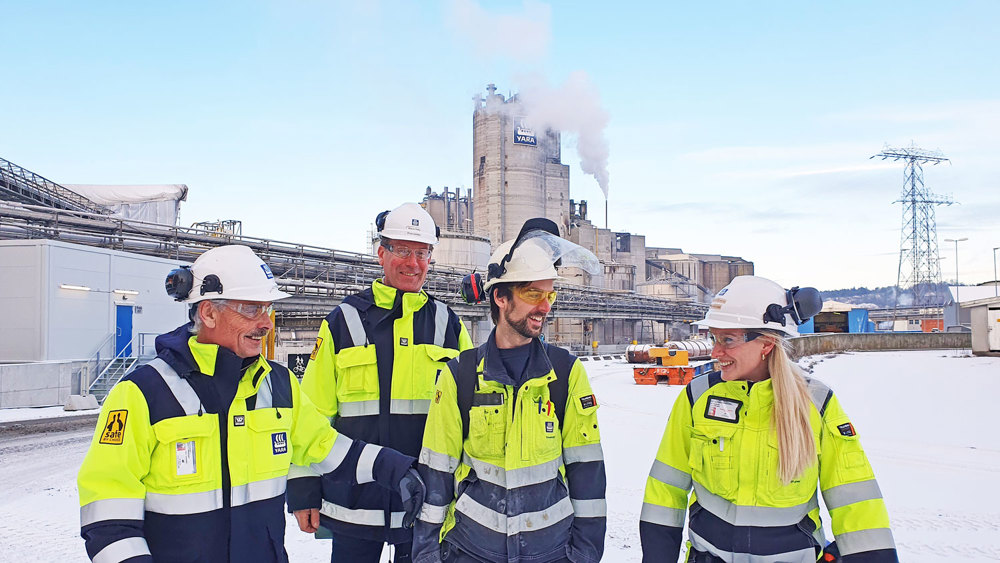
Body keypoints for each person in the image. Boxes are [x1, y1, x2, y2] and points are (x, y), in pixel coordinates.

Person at [78, 245, 424, 563]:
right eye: (251, 309)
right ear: (209, 312)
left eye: (268, 309)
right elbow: (107, 511)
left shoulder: (279, 385)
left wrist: (398, 470)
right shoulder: (144, 393)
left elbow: (327, 448)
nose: (265, 323)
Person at [639, 275, 898, 562]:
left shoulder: (817, 403)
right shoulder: (697, 397)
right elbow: (665, 490)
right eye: (714, 338)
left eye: (728, 340)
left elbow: (857, 501)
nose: (715, 352)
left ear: (765, 344)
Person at [412, 218, 607, 563]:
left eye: (550, 294)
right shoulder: (460, 376)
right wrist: (427, 552)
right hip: (473, 551)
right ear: (500, 297)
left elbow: (587, 473)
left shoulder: (565, 374)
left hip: (552, 552)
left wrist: (584, 556)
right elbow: (436, 473)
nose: (545, 306)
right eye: (533, 293)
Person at [288, 203, 474, 562]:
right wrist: (303, 485)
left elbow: (468, 416)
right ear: (381, 253)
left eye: (422, 253)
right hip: (352, 502)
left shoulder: (448, 324)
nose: (413, 262)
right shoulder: (344, 321)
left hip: (424, 506)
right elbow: (311, 412)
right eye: (402, 250)